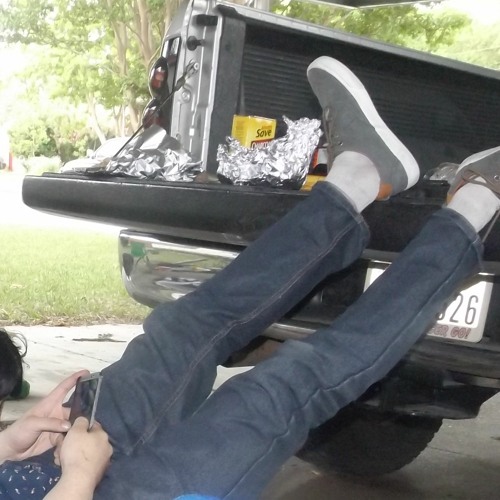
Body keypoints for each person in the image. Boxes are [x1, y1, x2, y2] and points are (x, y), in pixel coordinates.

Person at [1, 56, 500, 500]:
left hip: (42, 469)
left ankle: (361, 177)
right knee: (279, 390)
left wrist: (7, 446)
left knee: (183, 330)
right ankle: (475, 210)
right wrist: (79, 479)